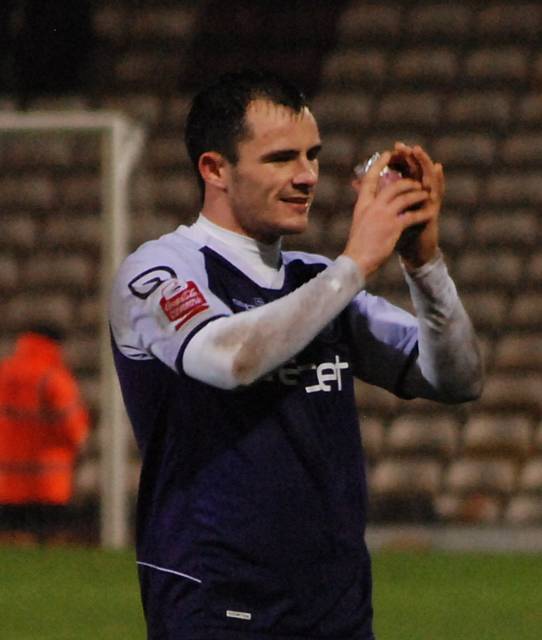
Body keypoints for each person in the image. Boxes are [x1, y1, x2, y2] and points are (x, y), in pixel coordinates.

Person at [110, 69, 483, 639]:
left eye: (313, 155)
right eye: (281, 158)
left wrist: (422, 263)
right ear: (215, 169)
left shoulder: (314, 280)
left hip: (337, 606)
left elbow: (456, 378)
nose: (307, 176)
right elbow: (229, 359)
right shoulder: (160, 270)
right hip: (218, 604)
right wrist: (356, 262)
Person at [0, 324, 90, 543]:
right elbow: (75, 430)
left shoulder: (4, 372)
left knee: (13, 543)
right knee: (49, 546)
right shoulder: (53, 378)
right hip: (48, 480)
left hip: (7, 480)